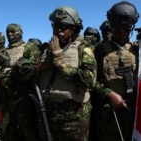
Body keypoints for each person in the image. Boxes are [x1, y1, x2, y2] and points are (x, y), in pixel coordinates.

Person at [38, 6, 97, 141]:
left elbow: (90, 80)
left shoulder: (84, 48)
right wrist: (44, 65)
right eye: (55, 26)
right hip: (48, 112)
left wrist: (61, 64)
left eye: (63, 26)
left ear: (74, 28)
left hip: (73, 116)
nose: (58, 30)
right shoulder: (46, 48)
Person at [93, 1, 139, 141]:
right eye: (117, 30)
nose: (122, 34)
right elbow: (92, 81)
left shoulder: (138, 49)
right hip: (110, 113)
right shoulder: (100, 50)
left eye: (127, 30)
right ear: (111, 29)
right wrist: (109, 94)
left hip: (135, 110)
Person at [0, 23, 41, 141]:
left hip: (22, 96)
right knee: (8, 130)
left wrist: (12, 64)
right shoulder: (4, 51)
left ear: (20, 32)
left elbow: (34, 67)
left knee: (29, 130)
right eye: (8, 32)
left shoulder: (29, 47)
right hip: (6, 97)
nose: (10, 34)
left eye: (13, 31)